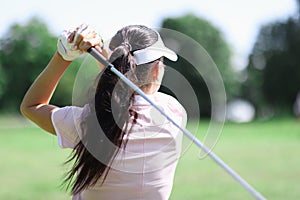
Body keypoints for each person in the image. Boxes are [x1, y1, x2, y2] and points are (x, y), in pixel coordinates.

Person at [20, 24, 187, 200]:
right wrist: (103, 56)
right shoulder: (174, 112)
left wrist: (64, 55)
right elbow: (118, 88)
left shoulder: (86, 120)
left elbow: (32, 106)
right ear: (155, 71)